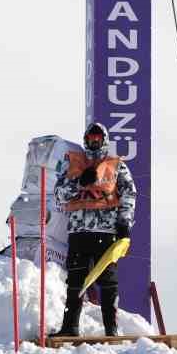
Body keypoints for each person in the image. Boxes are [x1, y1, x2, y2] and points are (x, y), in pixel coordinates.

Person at [50, 121, 136, 337]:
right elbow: (59, 195)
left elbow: (129, 194)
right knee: (75, 280)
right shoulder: (73, 164)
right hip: (79, 232)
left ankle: (111, 329)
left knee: (107, 281)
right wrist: (79, 181)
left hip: (106, 233)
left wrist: (124, 223)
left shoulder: (116, 165)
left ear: (104, 141)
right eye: (90, 139)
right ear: (85, 140)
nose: (94, 142)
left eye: (98, 139)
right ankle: (70, 327)